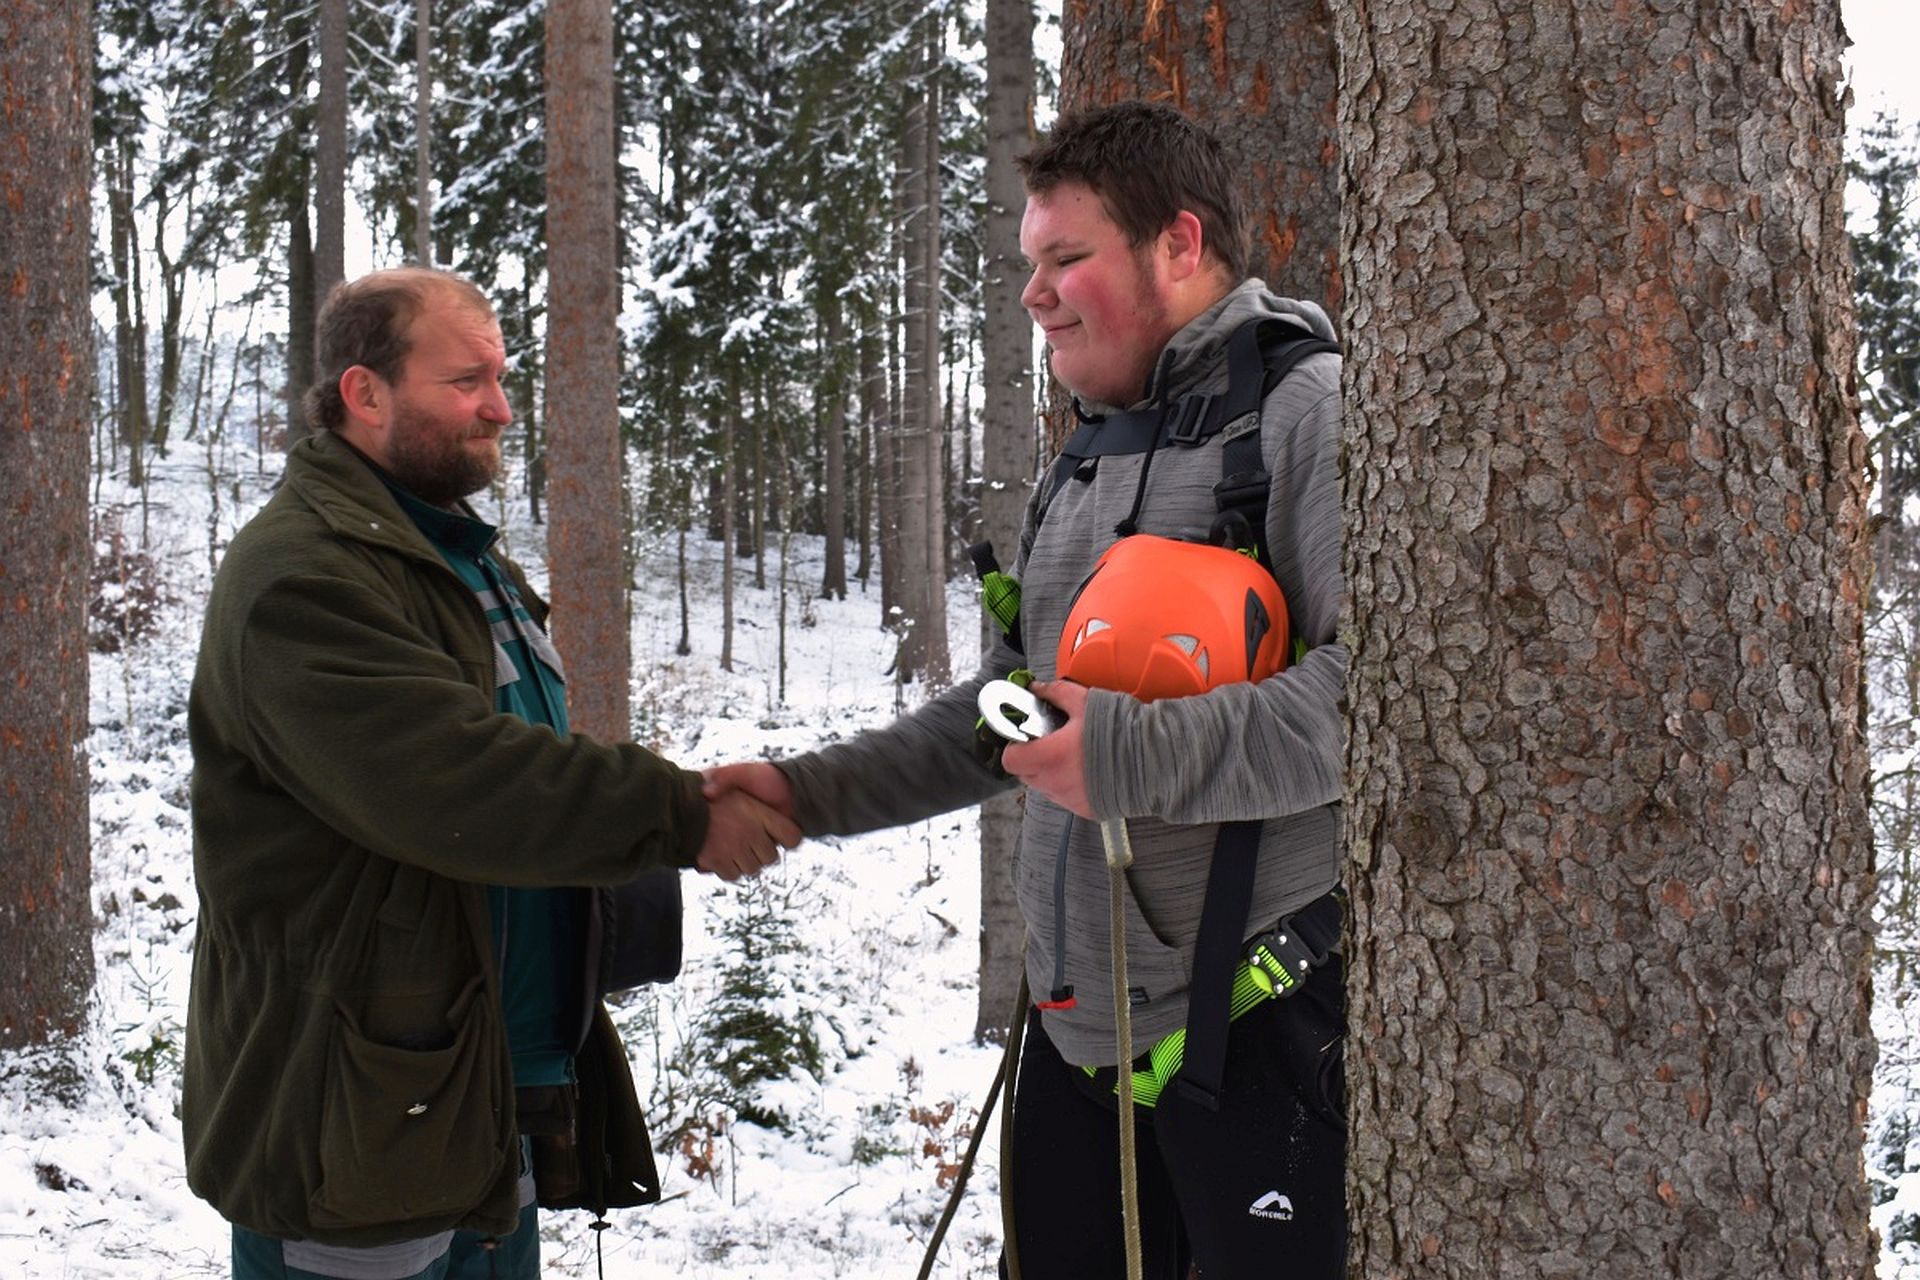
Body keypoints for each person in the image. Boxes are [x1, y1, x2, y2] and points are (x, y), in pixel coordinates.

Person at [706, 101, 1346, 1278]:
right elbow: (1013, 711)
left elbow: (1380, 709)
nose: (1033, 294)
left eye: (1065, 258)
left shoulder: (1309, 416)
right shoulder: (1091, 448)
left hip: (1256, 1026)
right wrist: (807, 791)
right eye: (1028, 263)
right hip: (1071, 1032)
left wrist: (1126, 753)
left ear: (1180, 244)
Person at [183, 266, 799, 1280]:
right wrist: (683, 815)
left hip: (477, 1107)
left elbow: (523, 764)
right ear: (365, 392)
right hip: (349, 1130)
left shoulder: (460, 558)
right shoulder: (301, 578)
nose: (502, 408)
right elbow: (459, 782)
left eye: (501, 378)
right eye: (466, 381)